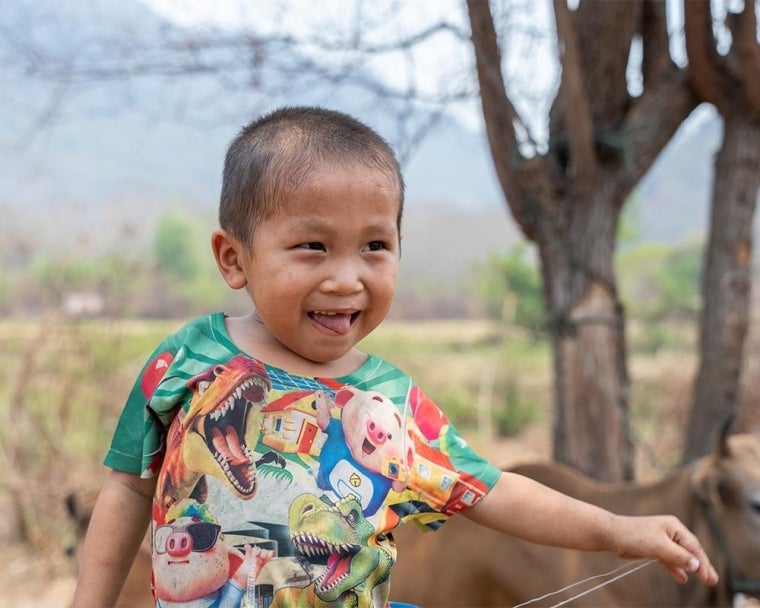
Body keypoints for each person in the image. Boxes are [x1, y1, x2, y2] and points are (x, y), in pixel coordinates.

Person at [73, 106, 718, 608]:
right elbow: (128, 487)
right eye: (314, 247)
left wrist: (618, 530)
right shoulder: (186, 361)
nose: (348, 277)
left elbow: (494, 492)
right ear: (233, 258)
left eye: (376, 245)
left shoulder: (392, 409)